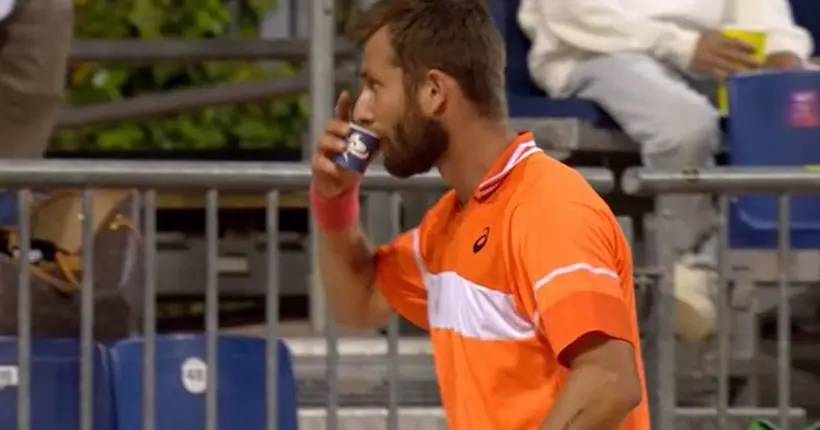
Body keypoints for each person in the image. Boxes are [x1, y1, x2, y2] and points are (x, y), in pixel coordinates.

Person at [309, 0, 648, 428]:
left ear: (434, 92)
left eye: (376, 86)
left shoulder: (548, 207)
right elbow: (358, 301)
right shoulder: (451, 221)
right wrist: (333, 199)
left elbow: (609, 382)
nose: (362, 111)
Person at [518, 0, 814, 342]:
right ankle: (686, 270)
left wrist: (782, 53)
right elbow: (571, 13)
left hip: (712, 55)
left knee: (790, 109)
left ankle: (712, 274)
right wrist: (681, 46)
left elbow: (760, 12)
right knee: (685, 127)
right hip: (598, 49)